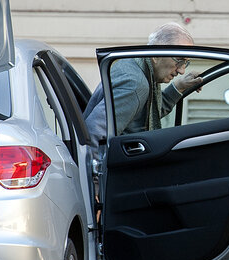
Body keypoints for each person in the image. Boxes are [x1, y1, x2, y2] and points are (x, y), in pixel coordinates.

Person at [84, 22, 203, 158]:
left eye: (186, 62)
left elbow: (143, 112)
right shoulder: (135, 83)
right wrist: (93, 176)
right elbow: (94, 133)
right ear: (156, 55)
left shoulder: (138, 67)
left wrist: (179, 87)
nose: (182, 70)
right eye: (179, 60)